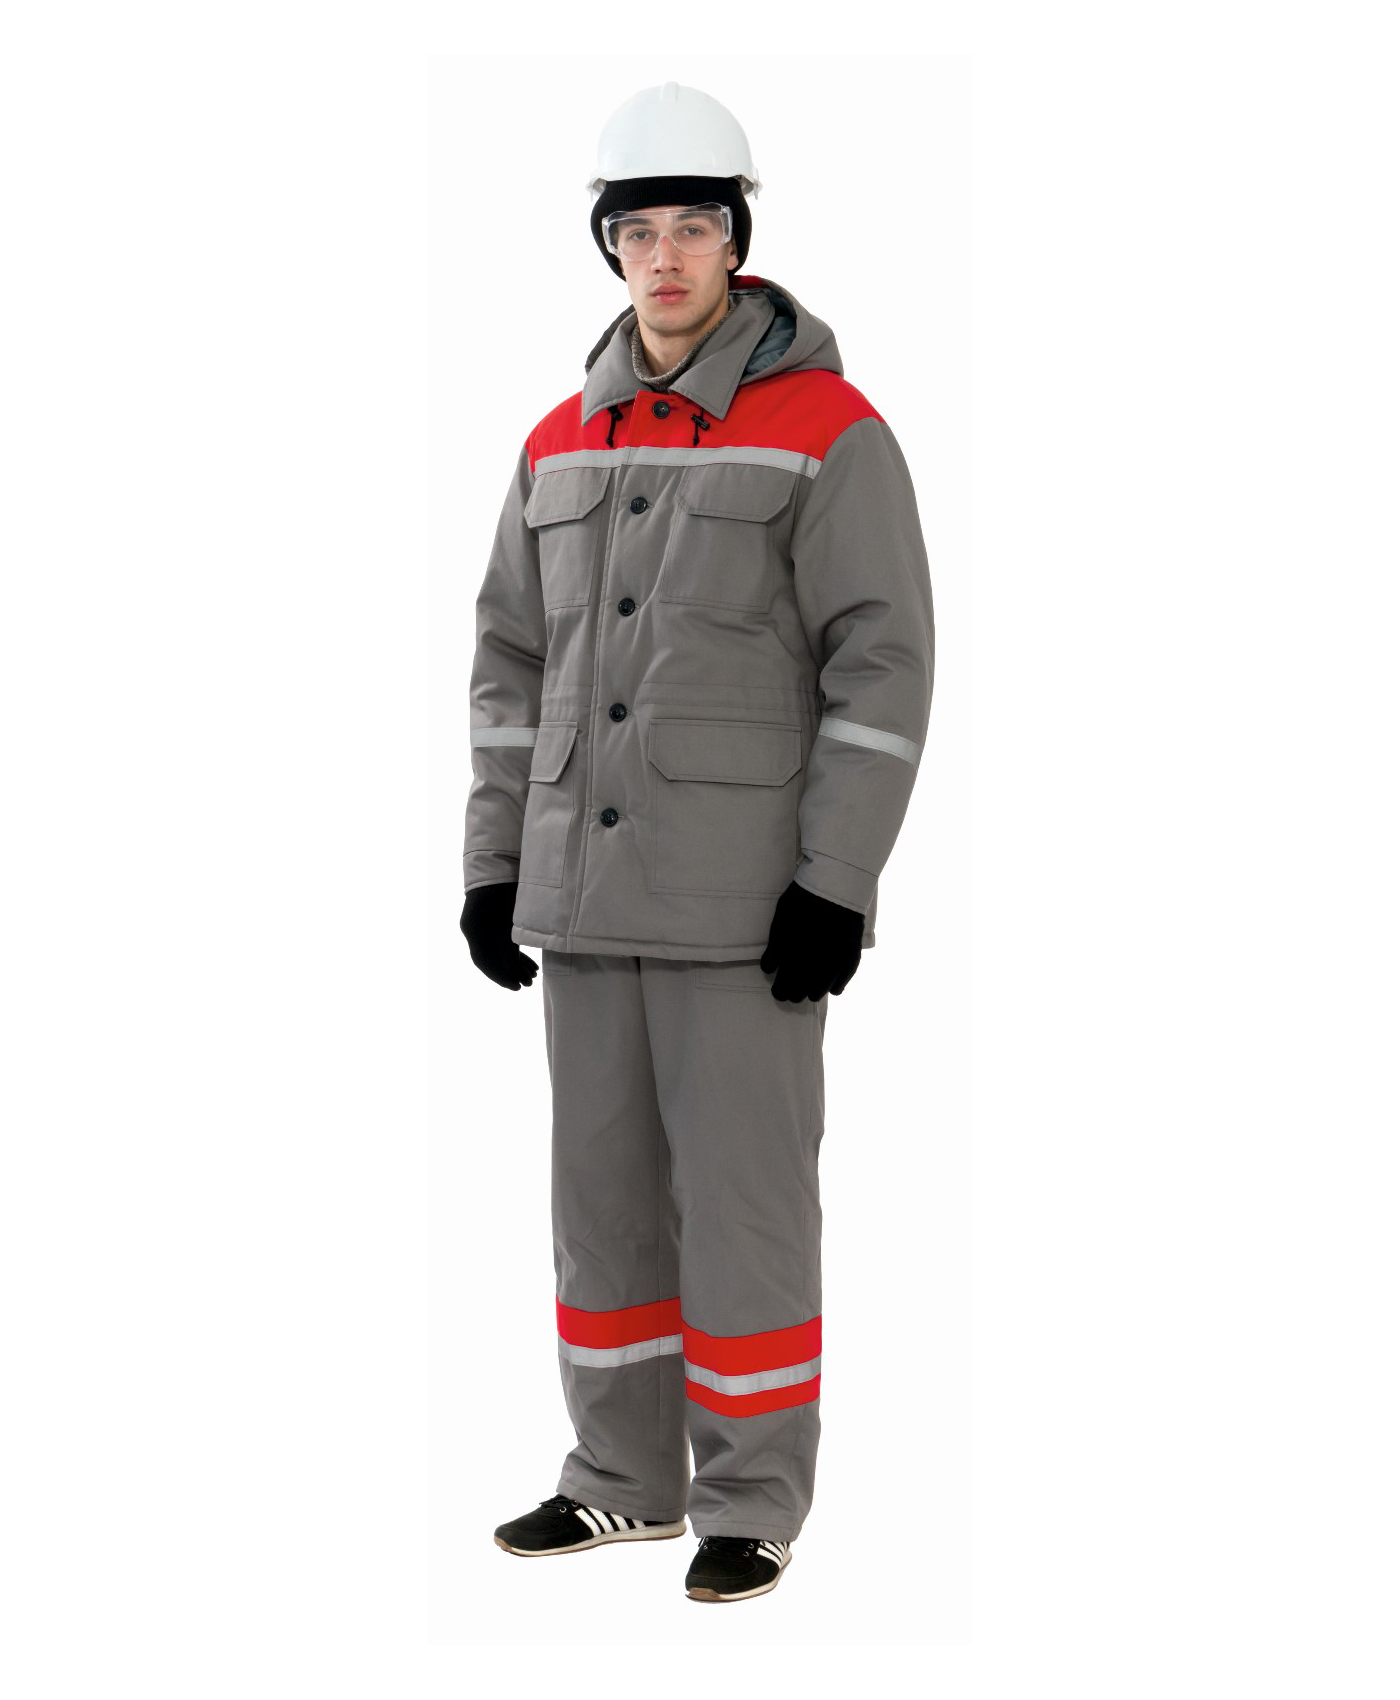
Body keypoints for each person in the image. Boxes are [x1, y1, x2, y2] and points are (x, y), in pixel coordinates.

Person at [460, 81, 935, 1603]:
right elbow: (510, 665)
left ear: (739, 241)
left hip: (746, 911)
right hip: (583, 900)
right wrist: (492, 863)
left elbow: (882, 670)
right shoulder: (557, 441)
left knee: (741, 1208)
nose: (665, 257)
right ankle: (621, 1482)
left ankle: (751, 1497)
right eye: (639, 231)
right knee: (599, 1209)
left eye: (693, 228)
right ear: (607, 247)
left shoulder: (829, 432)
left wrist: (834, 882)